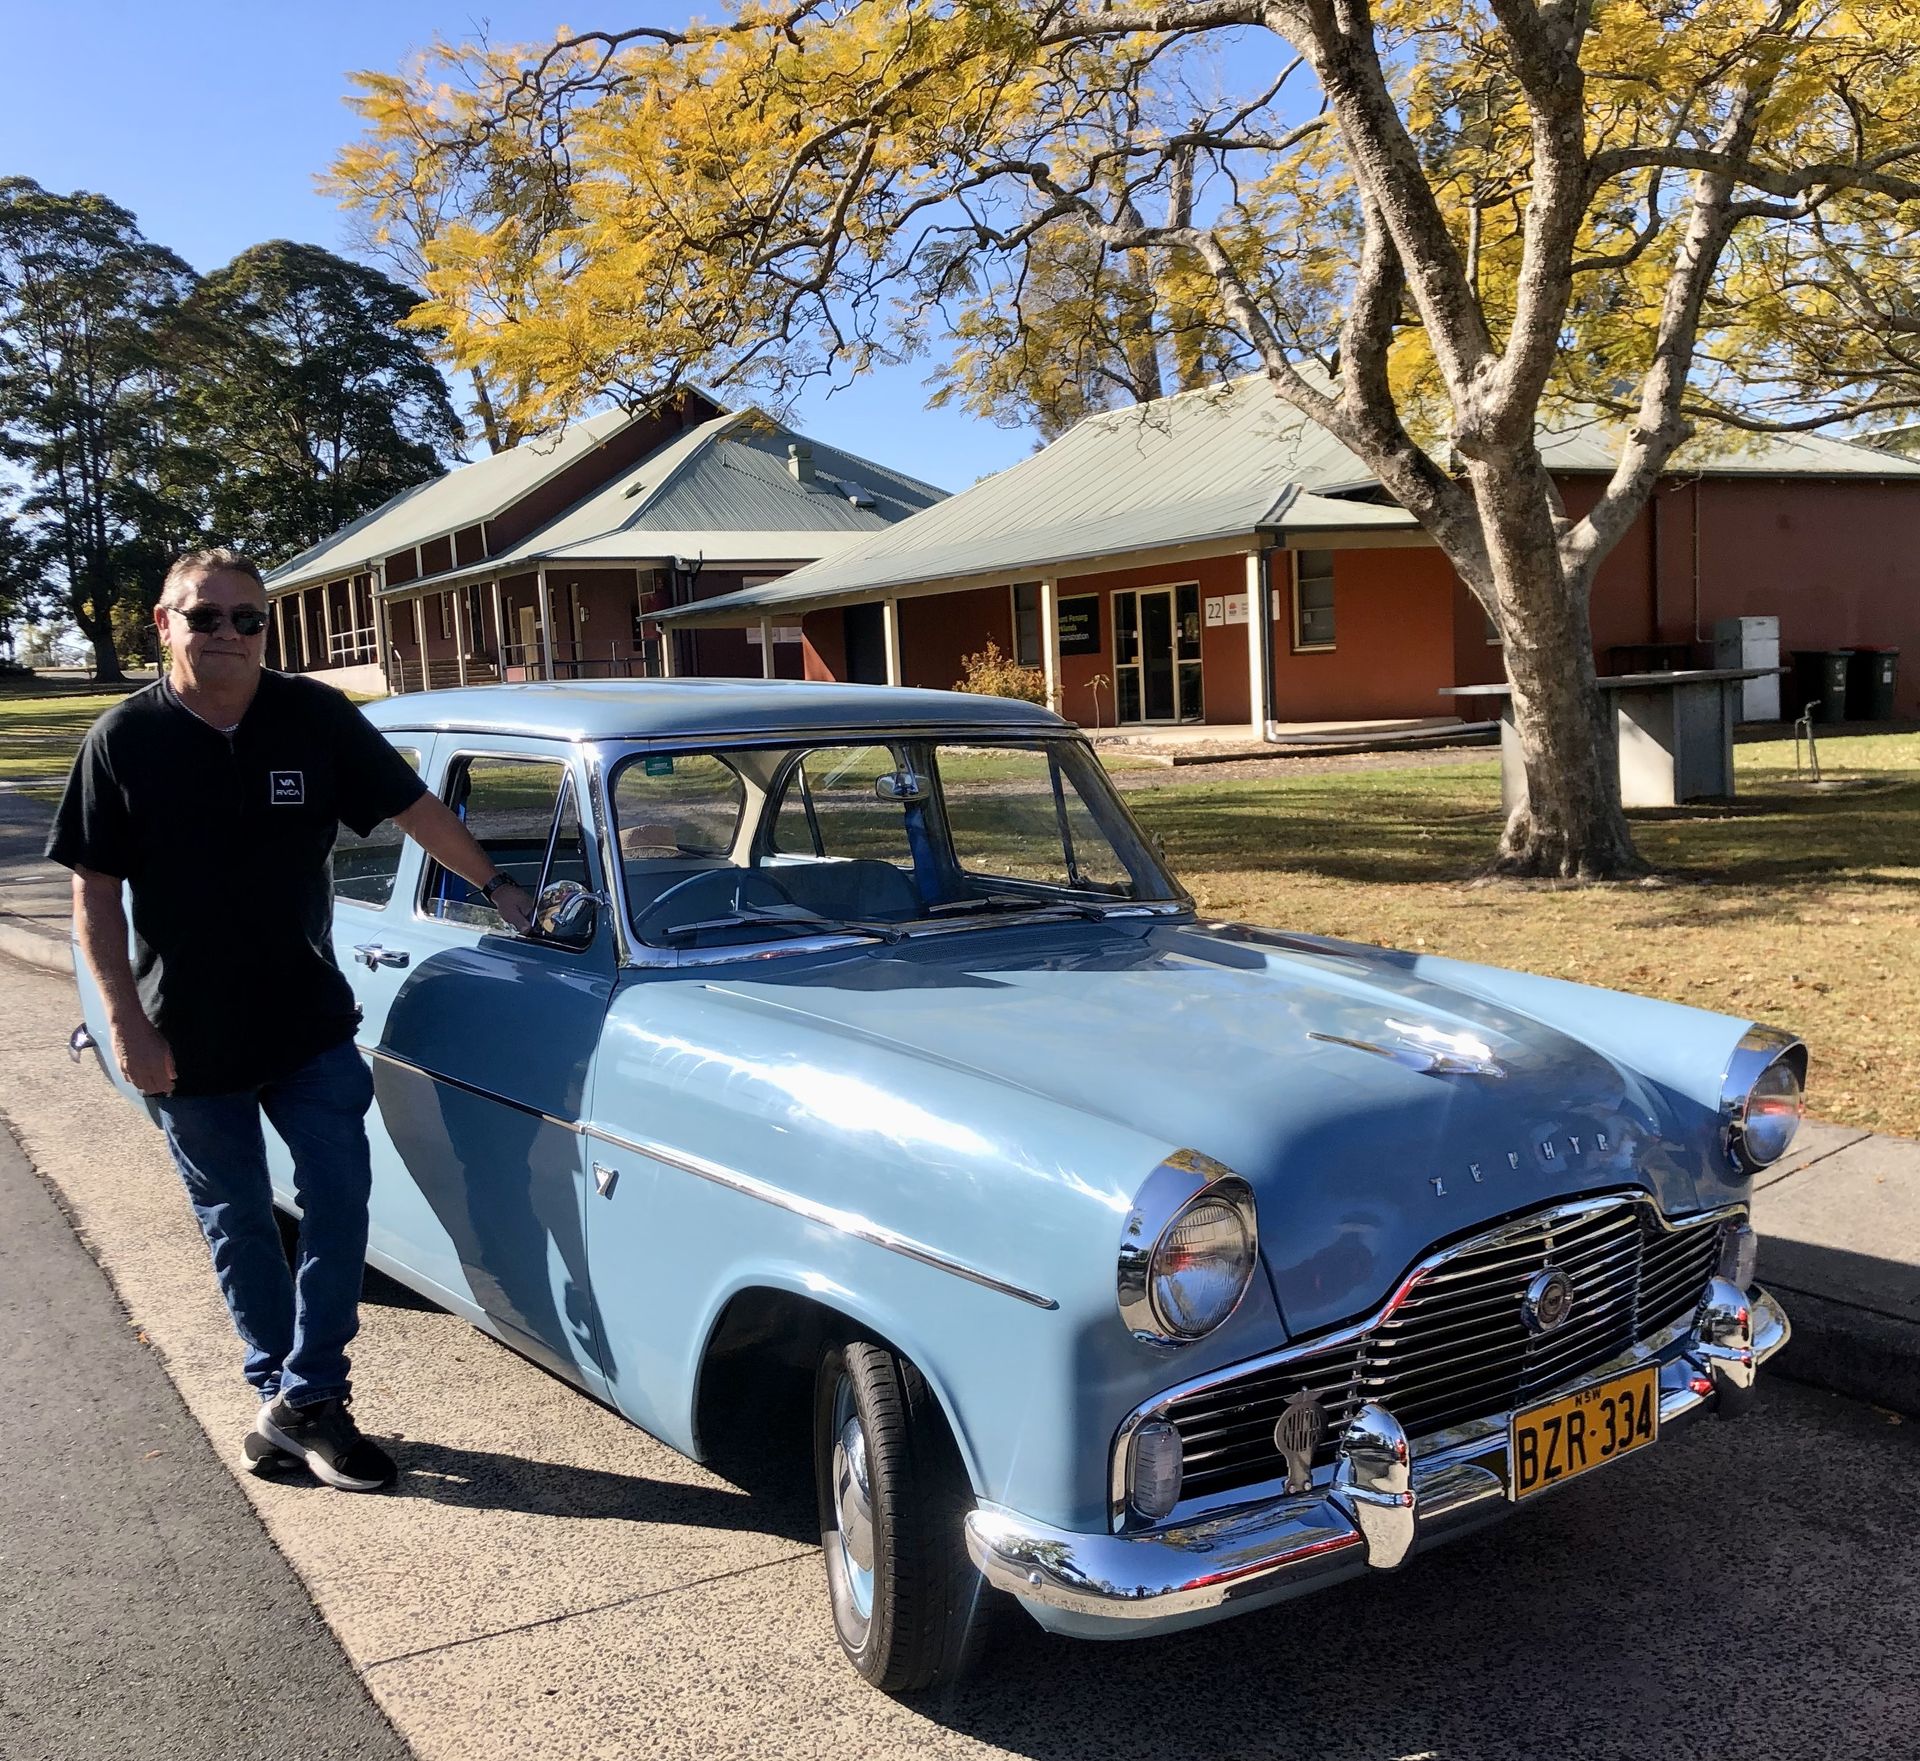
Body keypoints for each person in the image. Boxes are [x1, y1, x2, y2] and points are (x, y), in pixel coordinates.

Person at [48, 548, 537, 1492]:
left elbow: (413, 806)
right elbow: (94, 896)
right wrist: (125, 1027)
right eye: (206, 617)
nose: (228, 634)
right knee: (237, 1221)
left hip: (308, 1022)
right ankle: (292, 1396)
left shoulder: (310, 716)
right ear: (164, 624)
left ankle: (305, 1396)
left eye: (248, 618)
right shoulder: (123, 740)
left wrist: (499, 885)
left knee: (340, 1204)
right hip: (184, 1035)